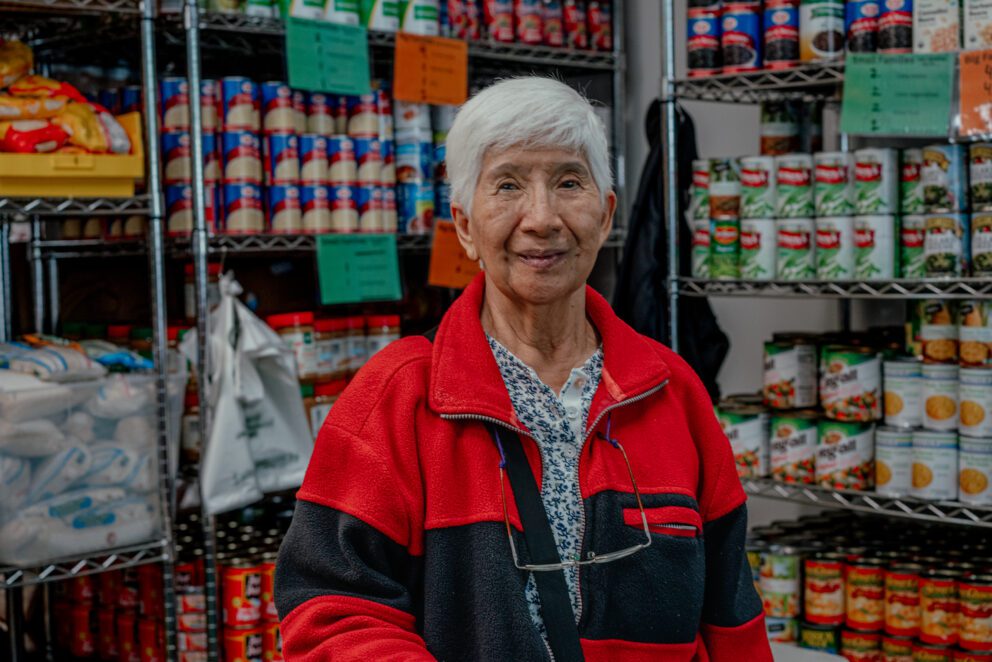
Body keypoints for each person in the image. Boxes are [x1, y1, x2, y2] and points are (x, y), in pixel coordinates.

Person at [275, 77, 772, 661]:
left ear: (606, 213)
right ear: (464, 225)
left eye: (568, 182)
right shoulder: (398, 394)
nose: (542, 218)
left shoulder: (670, 389)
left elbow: (731, 613)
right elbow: (330, 607)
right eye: (508, 184)